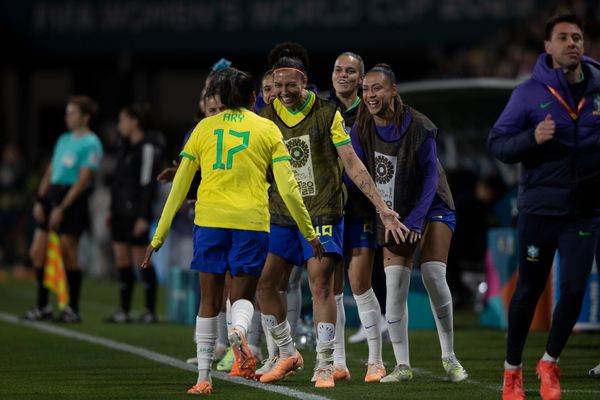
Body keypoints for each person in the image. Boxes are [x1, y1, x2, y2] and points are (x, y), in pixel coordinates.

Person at [141, 67, 324, 395]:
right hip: (251, 222)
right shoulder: (267, 128)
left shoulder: (203, 129)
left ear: (221, 99)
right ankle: (239, 328)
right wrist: (309, 231)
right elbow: (288, 186)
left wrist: (158, 237)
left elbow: (180, 184)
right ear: (253, 98)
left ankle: (203, 378)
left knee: (208, 300)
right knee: (241, 296)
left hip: (209, 221)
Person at [255, 54, 408, 388]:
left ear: (304, 82)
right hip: (283, 215)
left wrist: (382, 207)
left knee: (325, 284)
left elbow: (352, 164)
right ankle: (286, 352)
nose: (283, 91)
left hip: (325, 211)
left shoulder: (328, 114)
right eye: (277, 86)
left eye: (290, 85)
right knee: (266, 285)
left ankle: (326, 364)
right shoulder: (265, 118)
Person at [489, 13, 600, 400]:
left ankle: (549, 362)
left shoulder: (599, 91)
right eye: (564, 37)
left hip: (585, 210)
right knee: (529, 291)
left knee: (572, 290)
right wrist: (531, 138)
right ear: (548, 48)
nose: (573, 43)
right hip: (540, 209)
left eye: (578, 37)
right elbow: (498, 145)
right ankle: (512, 371)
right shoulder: (527, 93)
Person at [352, 63, 468, 383]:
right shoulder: (361, 127)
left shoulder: (419, 124)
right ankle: (402, 366)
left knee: (432, 274)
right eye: (365, 89)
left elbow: (431, 176)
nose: (370, 95)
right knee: (394, 287)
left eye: (377, 88)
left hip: (433, 205)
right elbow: (356, 173)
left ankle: (450, 358)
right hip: (393, 210)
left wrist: (416, 221)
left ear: (393, 90)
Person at [323, 51, 387, 383]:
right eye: (338, 70)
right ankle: (338, 362)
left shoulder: (370, 112)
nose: (343, 75)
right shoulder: (320, 109)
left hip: (361, 207)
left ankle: (376, 360)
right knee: (331, 289)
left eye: (350, 71)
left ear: (361, 78)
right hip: (329, 207)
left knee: (360, 284)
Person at [22, 95, 103, 323]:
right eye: (67, 112)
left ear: (85, 117)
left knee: (69, 253)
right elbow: (50, 172)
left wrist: (63, 207)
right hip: (53, 196)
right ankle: (42, 306)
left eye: (72, 113)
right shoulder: (63, 139)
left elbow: (83, 179)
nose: (67, 116)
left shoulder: (91, 143)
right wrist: (40, 199)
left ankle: (72, 308)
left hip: (72, 200)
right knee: (37, 252)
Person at [106, 103, 163, 324]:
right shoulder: (124, 146)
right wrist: (112, 209)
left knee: (141, 259)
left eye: (122, 120)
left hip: (136, 212)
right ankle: (124, 310)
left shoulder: (148, 147)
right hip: (119, 211)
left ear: (134, 122)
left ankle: (149, 310)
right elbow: (118, 182)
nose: (120, 125)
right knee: (121, 258)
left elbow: (148, 184)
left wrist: (142, 215)